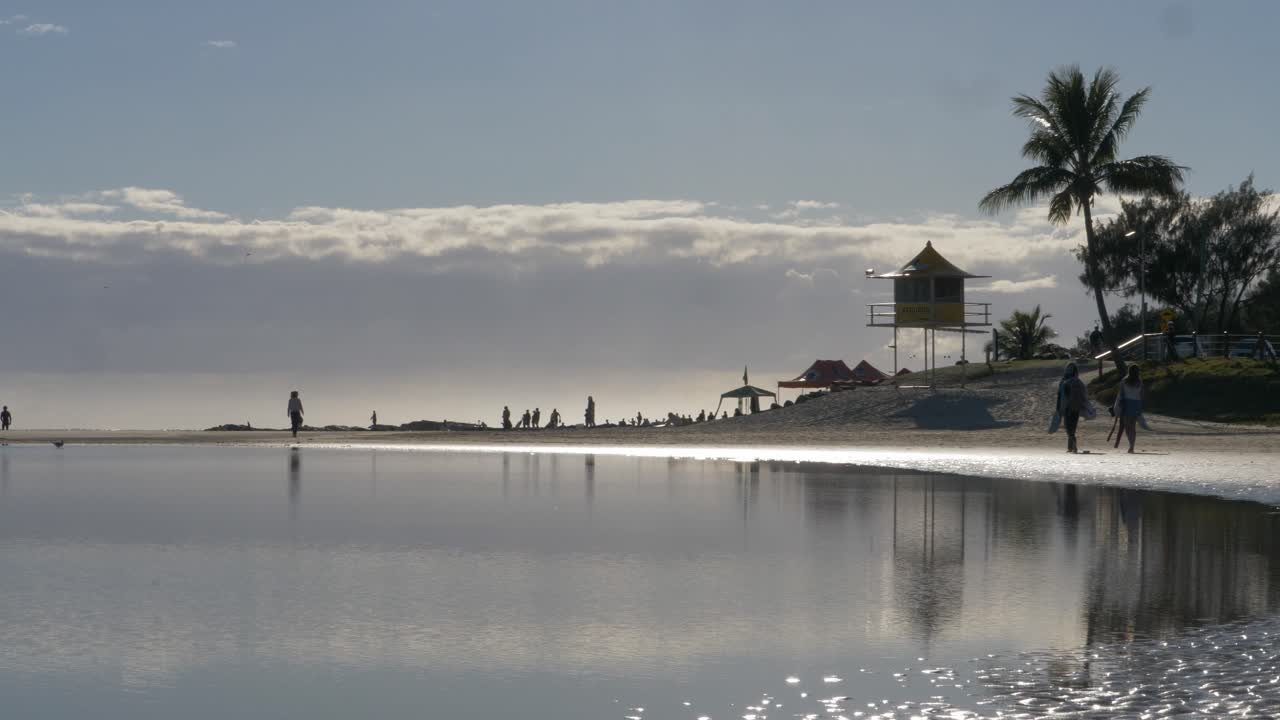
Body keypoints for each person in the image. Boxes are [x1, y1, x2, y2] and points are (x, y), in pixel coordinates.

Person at [1057, 363, 1088, 453]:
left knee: (1068, 427)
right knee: (1072, 427)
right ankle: (1070, 447)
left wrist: (1058, 408)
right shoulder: (1078, 381)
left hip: (1067, 407)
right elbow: (1084, 394)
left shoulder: (1063, 381)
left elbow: (1060, 395)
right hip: (1076, 407)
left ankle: (1073, 446)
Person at [1112, 366, 1144, 454]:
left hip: (1126, 404)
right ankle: (1132, 446)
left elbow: (1120, 394)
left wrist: (1117, 406)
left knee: (1127, 427)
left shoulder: (1124, 381)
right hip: (1136, 404)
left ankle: (1131, 445)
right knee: (1132, 427)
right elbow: (1141, 395)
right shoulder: (1139, 382)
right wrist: (1140, 406)